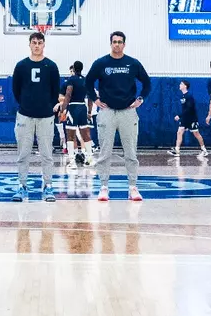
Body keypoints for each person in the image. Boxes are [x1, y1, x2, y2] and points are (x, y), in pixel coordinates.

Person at [86, 31, 151, 202]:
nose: (117, 44)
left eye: (120, 42)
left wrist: (140, 99)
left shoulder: (132, 63)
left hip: (128, 112)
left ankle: (133, 188)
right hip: (107, 112)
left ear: (124, 44)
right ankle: (103, 187)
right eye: (114, 42)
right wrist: (95, 99)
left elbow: (147, 83)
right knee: (104, 152)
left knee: (130, 152)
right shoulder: (101, 63)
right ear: (110, 44)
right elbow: (87, 82)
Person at [11, 32, 60, 201]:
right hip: (25, 115)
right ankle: (21, 186)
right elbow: (16, 90)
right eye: (34, 42)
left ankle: (48, 186)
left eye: (40, 42)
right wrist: (26, 104)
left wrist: (47, 106)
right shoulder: (21, 66)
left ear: (44, 44)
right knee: (23, 154)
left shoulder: (51, 66)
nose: (37, 45)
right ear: (29, 45)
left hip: (46, 117)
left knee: (47, 154)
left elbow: (55, 91)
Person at [58, 61, 91, 166]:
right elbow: (90, 97)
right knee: (85, 133)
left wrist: (63, 109)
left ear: (74, 69)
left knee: (70, 135)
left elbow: (68, 94)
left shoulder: (71, 80)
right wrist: (89, 111)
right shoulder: (86, 80)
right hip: (83, 107)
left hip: (73, 107)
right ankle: (89, 158)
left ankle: (72, 161)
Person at [171, 80, 209, 159]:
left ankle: (204, 150)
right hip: (185, 118)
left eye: (181, 84)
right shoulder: (182, 96)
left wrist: (179, 115)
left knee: (196, 134)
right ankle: (177, 150)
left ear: (185, 86)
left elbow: (189, 108)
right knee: (179, 132)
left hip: (191, 119)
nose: (179, 85)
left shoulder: (189, 96)